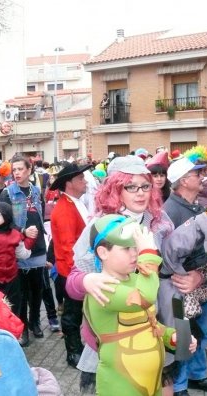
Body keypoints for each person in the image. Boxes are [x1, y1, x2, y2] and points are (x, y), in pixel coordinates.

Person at [65, 155, 174, 394]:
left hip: (154, 329)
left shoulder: (159, 220)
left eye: (145, 185)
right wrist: (86, 280)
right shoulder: (101, 225)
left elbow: (175, 267)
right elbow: (72, 281)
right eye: (131, 186)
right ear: (115, 189)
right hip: (112, 334)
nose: (140, 193)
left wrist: (192, 278)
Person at [84, 214, 196, 396]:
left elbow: (148, 323)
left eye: (135, 247)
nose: (135, 253)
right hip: (121, 384)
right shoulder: (103, 287)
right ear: (103, 252)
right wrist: (148, 254)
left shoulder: (137, 279)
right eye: (127, 248)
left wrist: (172, 336)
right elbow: (144, 298)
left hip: (151, 383)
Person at [163, 156, 207, 396]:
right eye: (197, 174)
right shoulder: (170, 212)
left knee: (202, 333)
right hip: (183, 289)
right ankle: (179, 385)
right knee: (185, 334)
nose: (202, 177)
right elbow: (169, 260)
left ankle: (197, 376)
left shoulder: (196, 205)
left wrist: (203, 277)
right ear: (183, 181)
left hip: (204, 285)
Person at [0, 155, 47, 347]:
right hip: (18, 248)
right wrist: (22, 231)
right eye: (15, 169)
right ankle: (23, 328)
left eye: (20, 169)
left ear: (29, 170)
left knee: (37, 291)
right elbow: (4, 221)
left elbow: (42, 214)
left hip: (38, 247)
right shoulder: (8, 193)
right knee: (21, 293)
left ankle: (35, 322)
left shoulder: (36, 191)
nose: (17, 173)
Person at [49, 162, 90, 368]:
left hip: (77, 269)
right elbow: (68, 247)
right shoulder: (64, 209)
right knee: (72, 314)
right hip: (71, 271)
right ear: (69, 183)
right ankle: (73, 353)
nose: (85, 181)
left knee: (76, 312)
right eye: (81, 178)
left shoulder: (74, 203)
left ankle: (79, 350)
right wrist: (80, 273)